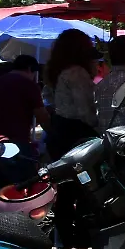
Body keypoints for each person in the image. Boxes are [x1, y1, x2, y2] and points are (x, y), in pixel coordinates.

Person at [44, 29, 101, 161]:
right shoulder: (76, 73)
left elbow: (48, 100)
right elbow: (86, 110)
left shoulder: (56, 70)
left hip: (59, 128)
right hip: (76, 133)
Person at [0, 54, 50, 157]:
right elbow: (42, 116)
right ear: (30, 69)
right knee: (22, 172)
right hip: (17, 144)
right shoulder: (29, 85)